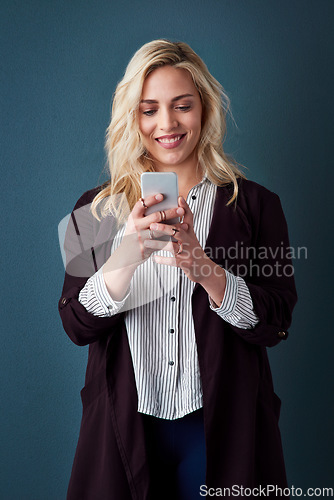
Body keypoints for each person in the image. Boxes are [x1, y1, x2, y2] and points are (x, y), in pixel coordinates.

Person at [59, 39, 297, 500]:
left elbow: (276, 322)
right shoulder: (93, 209)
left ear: (204, 109)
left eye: (182, 106)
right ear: (133, 117)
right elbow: (74, 322)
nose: (166, 124)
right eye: (149, 110)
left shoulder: (257, 206)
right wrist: (126, 254)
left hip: (223, 426)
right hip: (123, 424)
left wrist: (205, 268)